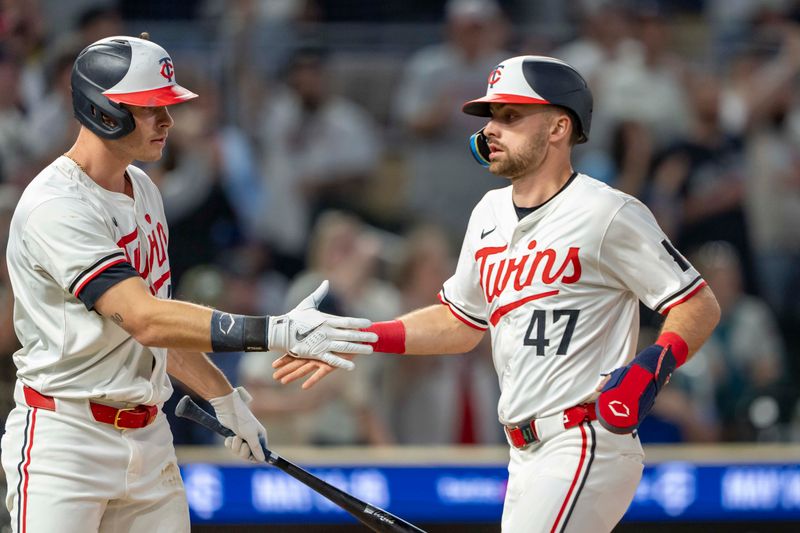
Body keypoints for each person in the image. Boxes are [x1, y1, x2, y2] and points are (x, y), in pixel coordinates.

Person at [274, 55, 721, 532]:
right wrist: (359, 336)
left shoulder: (606, 211)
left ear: (557, 127)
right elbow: (459, 322)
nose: (491, 129)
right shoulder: (488, 212)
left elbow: (696, 303)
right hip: (523, 452)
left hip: (584, 438)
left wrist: (650, 367)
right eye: (491, 117)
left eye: (510, 116)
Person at [0, 34, 376, 533]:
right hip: (67, 439)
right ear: (103, 110)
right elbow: (143, 317)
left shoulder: (145, 190)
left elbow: (160, 323)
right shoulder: (57, 205)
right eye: (153, 107)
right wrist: (275, 330)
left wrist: (223, 398)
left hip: (149, 434)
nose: (168, 122)